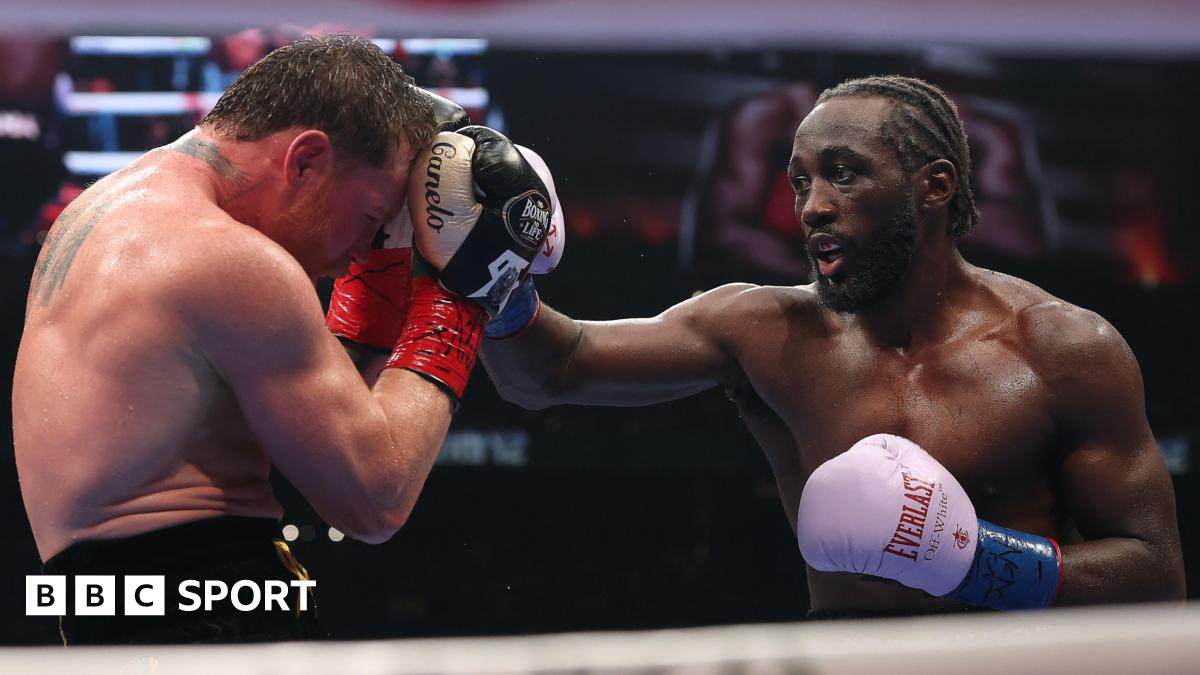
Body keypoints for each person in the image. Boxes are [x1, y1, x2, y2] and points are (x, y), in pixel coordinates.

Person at [478, 75, 1184, 616]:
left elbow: (1157, 575)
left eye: (843, 172)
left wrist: (978, 561)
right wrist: (494, 277)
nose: (811, 205)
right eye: (800, 180)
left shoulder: (1063, 349)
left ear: (933, 186)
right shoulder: (764, 329)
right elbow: (554, 368)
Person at [13, 34, 550, 643]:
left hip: (104, 610)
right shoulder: (229, 259)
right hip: (206, 605)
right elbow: (376, 498)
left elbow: (314, 421)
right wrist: (461, 298)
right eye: (374, 219)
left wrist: (372, 288)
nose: (360, 249)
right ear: (306, 159)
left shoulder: (106, 211)